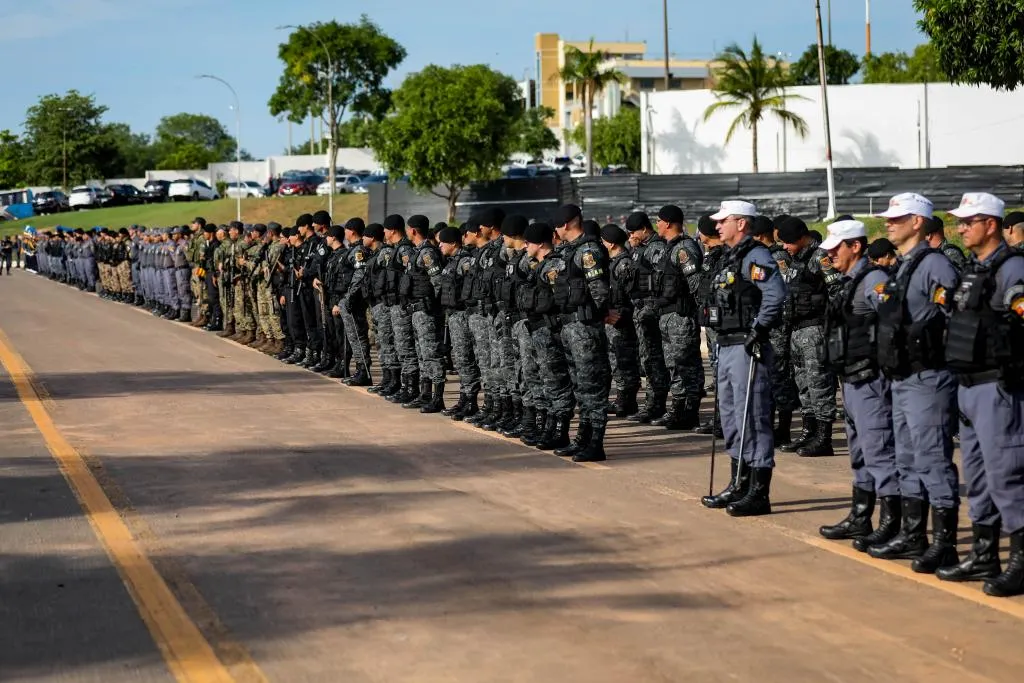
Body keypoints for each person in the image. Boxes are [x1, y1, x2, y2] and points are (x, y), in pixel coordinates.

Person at [868, 192, 961, 574]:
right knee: (906, 458)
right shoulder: (905, 265)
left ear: (918, 222)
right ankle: (913, 534)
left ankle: (945, 544)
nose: (888, 224)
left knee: (931, 458)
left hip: (928, 377)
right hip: (903, 376)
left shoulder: (935, 264)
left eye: (897, 218)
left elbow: (953, 316)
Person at [938, 192, 1024, 597]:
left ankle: (1020, 563)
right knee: (978, 475)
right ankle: (985, 554)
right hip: (969, 385)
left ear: (991, 224)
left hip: (998, 386)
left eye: (969, 222)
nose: (961, 228)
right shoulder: (976, 269)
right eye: (960, 222)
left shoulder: (1012, 268)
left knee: (1007, 473)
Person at [818, 219, 900, 548]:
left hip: (870, 379)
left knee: (878, 450)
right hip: (851, 378)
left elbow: (894, 323)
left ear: (855, 246)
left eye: (836, 248)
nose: (830, 255)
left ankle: (891, 523)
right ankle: (860, 516)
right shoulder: (850, 281)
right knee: (859, 452)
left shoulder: (874, 280)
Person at [700, 200, 786, 517]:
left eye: (723, 221)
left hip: (746, 346)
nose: (717, 226)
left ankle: (758, 492)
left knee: (752, 416)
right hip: (726, 344)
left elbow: (775, 294)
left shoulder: (755, 256)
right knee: (731, 418)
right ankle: (739, 483)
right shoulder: (729, 256)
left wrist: (758, 329)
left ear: (741, 223)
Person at [549, 204, 612, 462]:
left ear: (565, 224)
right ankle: (582, 439)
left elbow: (599, 291)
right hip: (570, 327)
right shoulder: (569, 251)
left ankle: (596, 443)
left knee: (592, 385)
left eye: (557, 225)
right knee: (580, 386)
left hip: (585, 328)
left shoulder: (588, 251)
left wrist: (594, 318)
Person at [776, 216, 843, 457]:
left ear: (800, 238)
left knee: (819, 383)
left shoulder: (819, 257)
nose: (785, 247)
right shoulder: (796, 261)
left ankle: (824, 437)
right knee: (803, 384)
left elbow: (837, 289)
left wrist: (829, 320)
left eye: (788, 242)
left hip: (815, 330)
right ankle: (809, 432)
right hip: (797, 330)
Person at [651, 205, 704, 430]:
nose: (656, 224)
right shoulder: (669, 248)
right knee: (674, 364)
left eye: (659, 221)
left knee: (686, 364)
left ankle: (690, 411)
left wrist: (699, 312)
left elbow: (696, 284)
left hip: (681, 316)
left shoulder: (684, 249)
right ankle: (678, 409)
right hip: (668, 315)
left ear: (668, 223)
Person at [625, 211, 669, 423]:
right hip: (641, 310)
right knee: (647, 359)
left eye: (633, 232)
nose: (631, 236)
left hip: (652, 310)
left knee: (654, 359)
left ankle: (656, 405)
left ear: (644, 229)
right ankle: (651, 404)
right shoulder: (640, 248)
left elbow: (661, 278)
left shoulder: (656, 248)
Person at [437, 225, 481, 420]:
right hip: (453, 315)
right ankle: (463, 399)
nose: (440, 245)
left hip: (463, 315)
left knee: (466, 358)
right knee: (460, 359)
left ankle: (470, 401)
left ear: (453, 243)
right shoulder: (451, 262)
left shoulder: (465, 261)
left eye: (443, 242)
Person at [601, 223, 641, 418]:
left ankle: (627, 401)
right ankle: (621, 399)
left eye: (603, 241)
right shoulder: (613, 263)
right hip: (614, 321)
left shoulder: (624, 264)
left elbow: (632, 296)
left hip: (623, 321)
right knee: (616, 361)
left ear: (610, 244)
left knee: (625, 361)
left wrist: (623, 315)